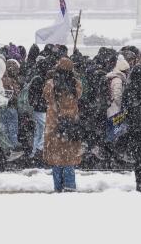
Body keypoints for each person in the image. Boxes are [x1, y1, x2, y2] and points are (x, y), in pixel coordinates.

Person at [43, 58, 83, 192]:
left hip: (54, 125)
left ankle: (58, 188)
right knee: (69, 158)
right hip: (71, 125)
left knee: (56, 159)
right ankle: (70, 186)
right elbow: (80, 95)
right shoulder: (76, 84)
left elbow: (46, 97)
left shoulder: (50, 84)